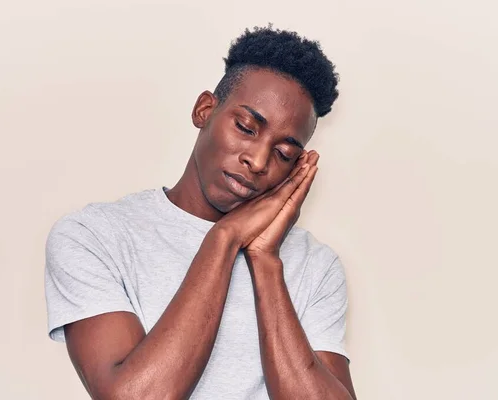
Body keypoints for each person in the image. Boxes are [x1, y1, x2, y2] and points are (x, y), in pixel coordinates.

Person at [45, 25, 357, 399]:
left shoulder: (316, 266)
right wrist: (224, 239)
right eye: (245, 127)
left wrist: (265, 260)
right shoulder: (94, 236)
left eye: (284, 154)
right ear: (204, 110)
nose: (257, 161)